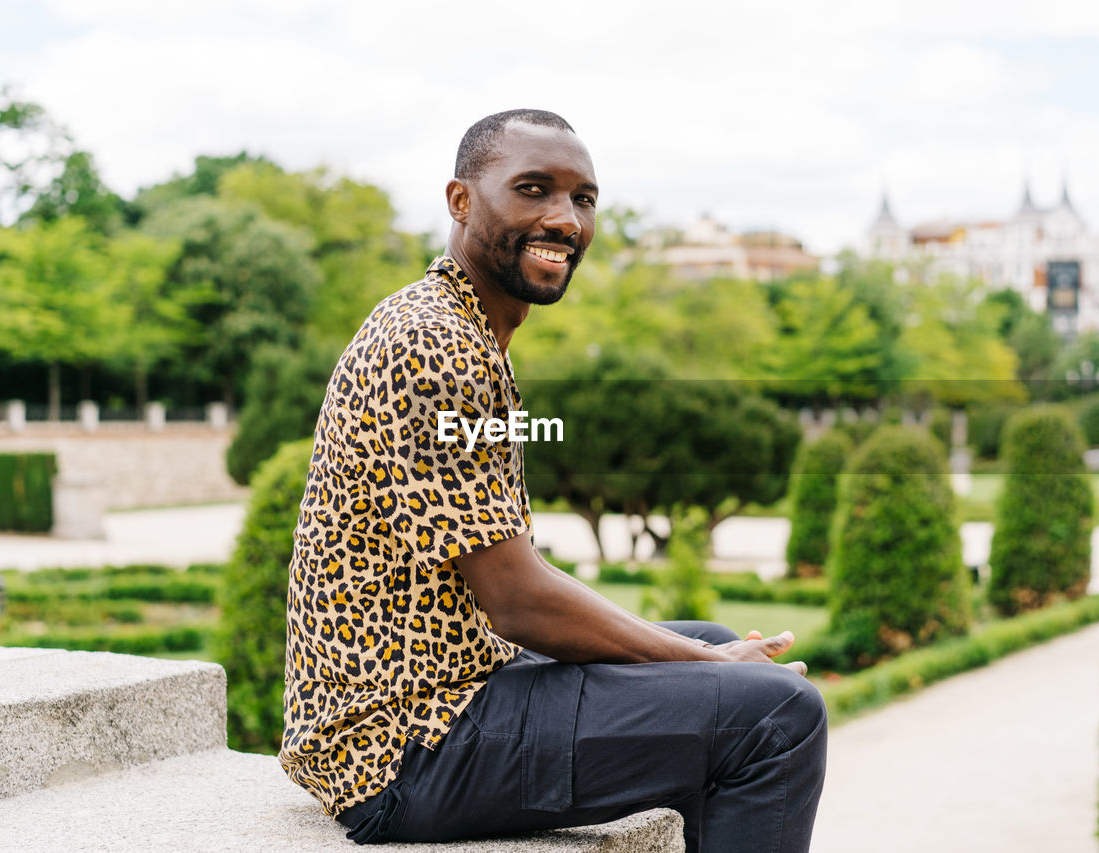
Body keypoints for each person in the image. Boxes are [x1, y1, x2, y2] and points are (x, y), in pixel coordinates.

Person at [280, 109, 827, 852]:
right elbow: (516, 601)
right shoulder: (436, 344)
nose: (564, 219)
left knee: (718, 642)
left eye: (583, 199)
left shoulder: (461, 327)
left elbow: (507, 573)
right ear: (460, 200)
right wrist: (705, 667)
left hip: (433, 701)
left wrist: (706, 656)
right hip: (406, 752)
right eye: (534, 189)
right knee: (777, 714)